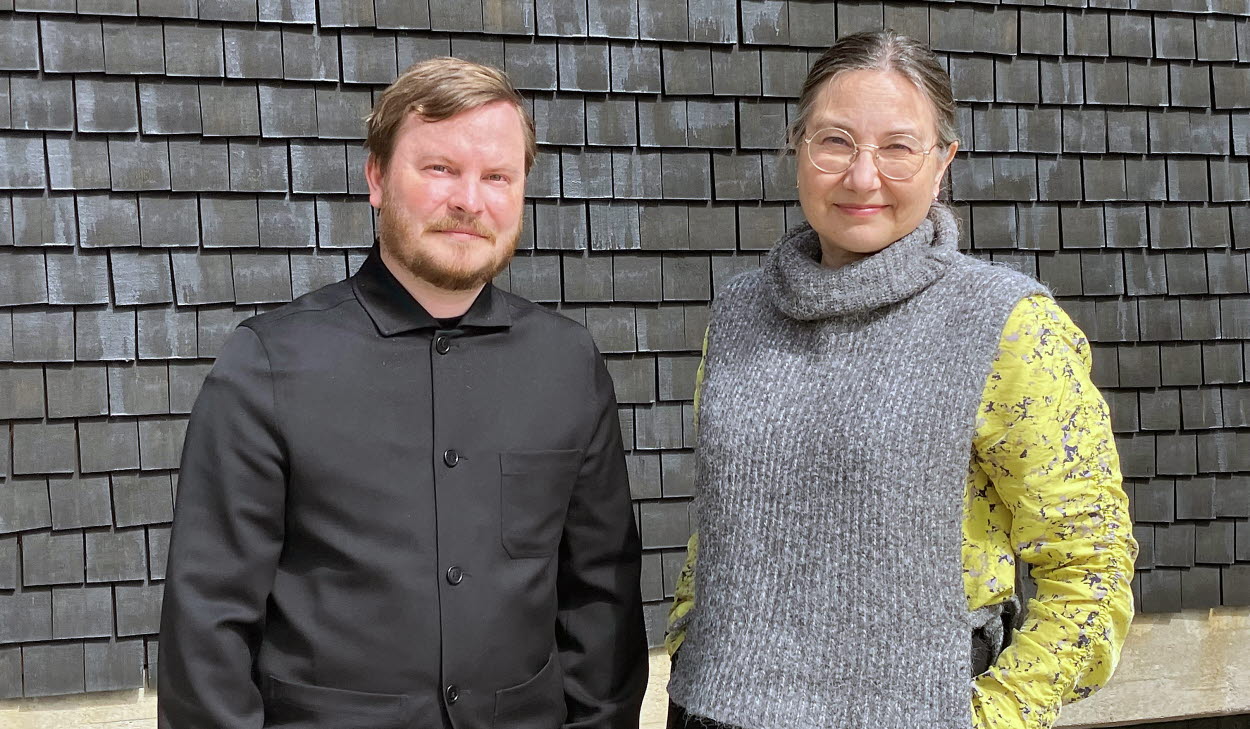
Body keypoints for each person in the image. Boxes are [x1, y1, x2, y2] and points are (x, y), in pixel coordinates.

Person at [664, 30, 1137, 729]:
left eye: (897, 146)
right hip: (712, 711)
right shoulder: (739, 313)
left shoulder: (1006, 325)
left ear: (942, 161)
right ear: (796, 147)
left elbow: (1091, 568)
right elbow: (723, 524)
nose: (862, 176)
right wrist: (685, 645)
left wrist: (989, 718)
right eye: (835, 141)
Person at [158, 58, 647, 729]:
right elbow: (207, 621)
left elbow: (602, 602)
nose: (470, 201)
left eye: (497, 176)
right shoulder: (269, 362)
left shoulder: (568, 365)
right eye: (440, 168)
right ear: (377, 178)